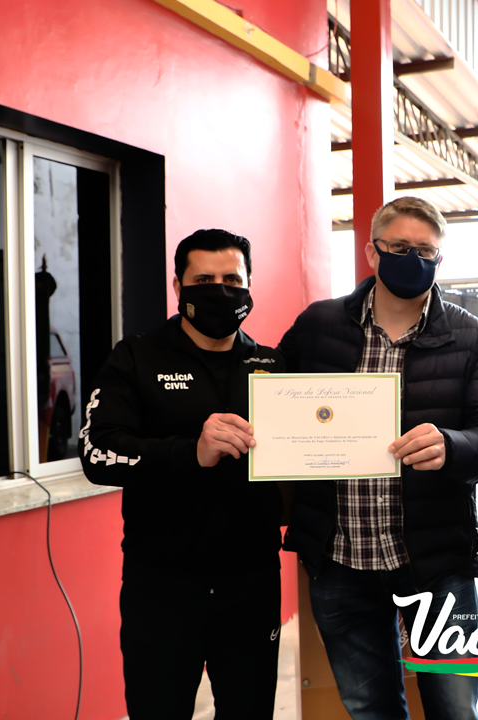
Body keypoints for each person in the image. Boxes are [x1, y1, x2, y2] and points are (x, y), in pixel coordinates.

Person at [279, 196, 478, 720]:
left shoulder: (471, 336)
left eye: (425, 251)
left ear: (440, 259)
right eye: (400, 247)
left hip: (435, 561)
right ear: (371, 252)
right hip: (340, 559)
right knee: (370, 708)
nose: (413, 259)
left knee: (455, 708)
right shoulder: (318, 326)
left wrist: (452, 446)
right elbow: (269, 396)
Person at [78, 229, 284, 718]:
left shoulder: (274, 366)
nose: (220, 290)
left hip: (252, 584)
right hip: (162, 587)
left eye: (232, 279)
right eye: (204, 280)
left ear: (249, 285)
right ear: (178, 286)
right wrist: (192, 452)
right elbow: (97, 453)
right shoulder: (136, 357)